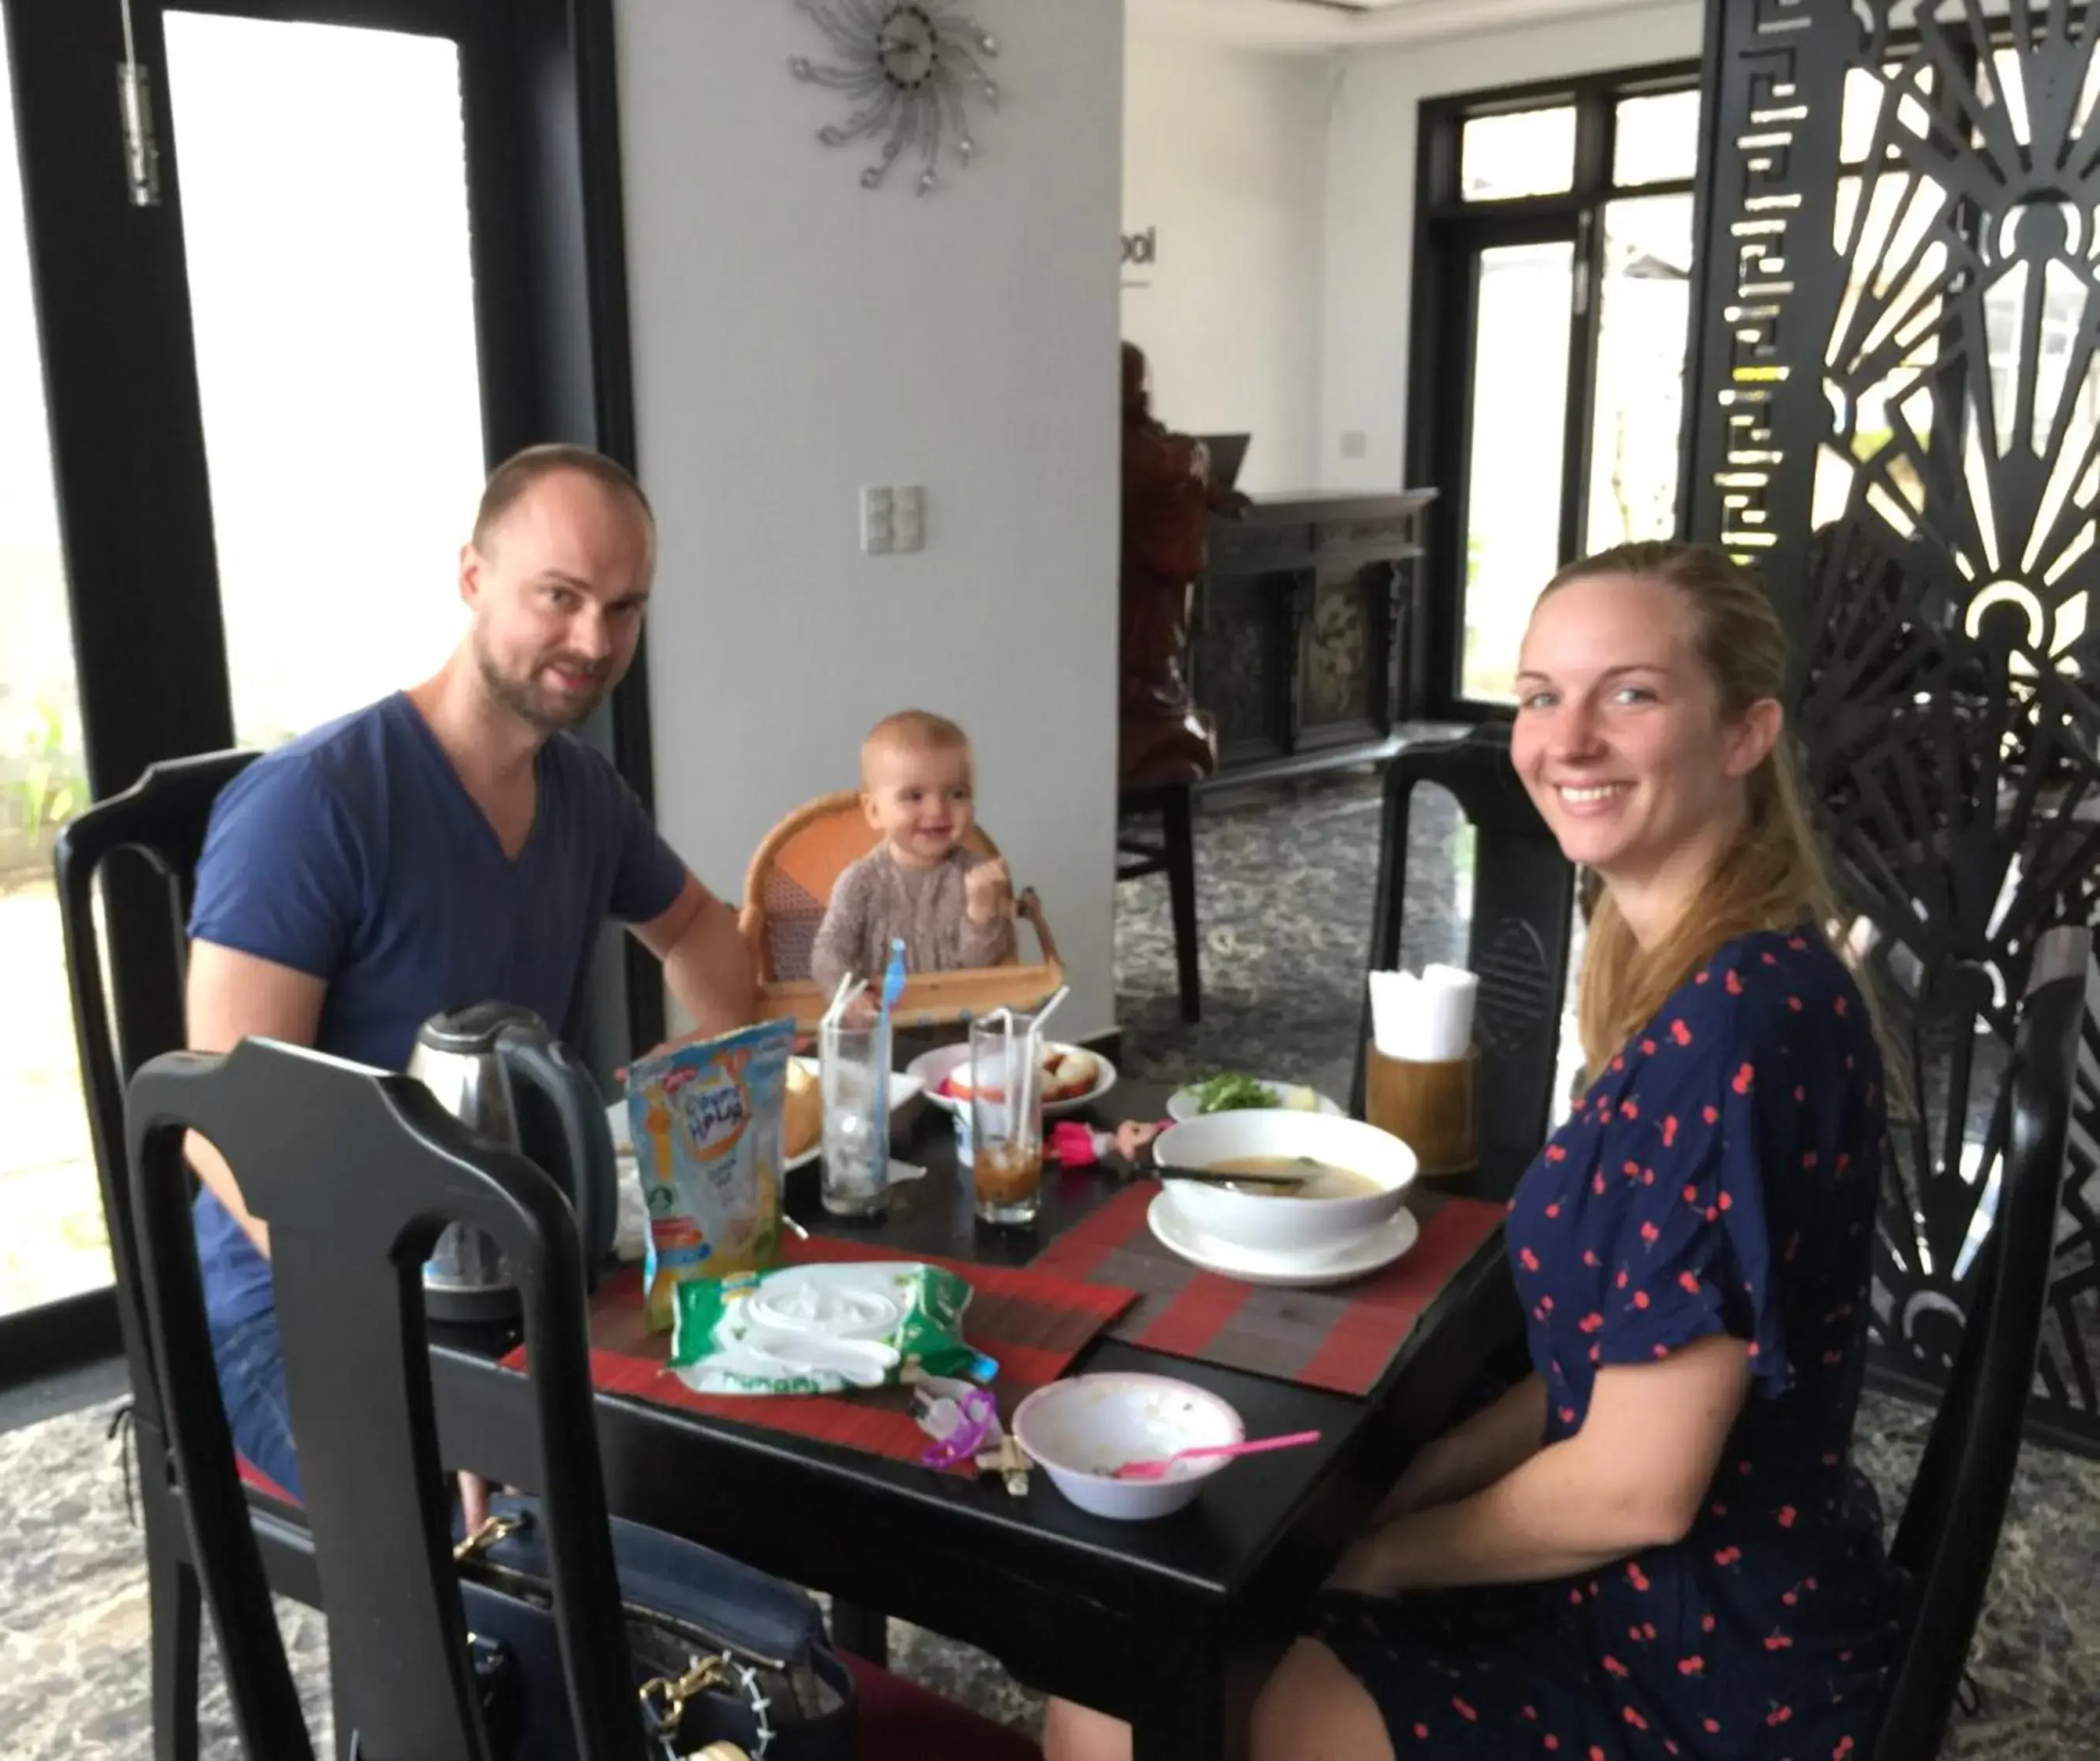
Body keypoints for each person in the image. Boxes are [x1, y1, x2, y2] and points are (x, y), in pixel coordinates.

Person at [1043, 541, 1902, 1761]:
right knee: (1155, 1646)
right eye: (1543, 693)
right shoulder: (1704, 974)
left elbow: (1632, 1486)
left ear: (1747, 733)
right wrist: (1421, 1475)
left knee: (1119, 1700)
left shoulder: (1741, 1021)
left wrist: (1385, 1556)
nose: (1568, 737)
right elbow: (1610, 1356)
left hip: (1695, 1666)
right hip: (1665, 1594)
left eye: (1633, 692)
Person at [183, 443, 755, 1505]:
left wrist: (717, 1081)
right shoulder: (312, 805)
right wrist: (406, 1353)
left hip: (518, 1268)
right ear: (472, 578)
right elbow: (227, 1122)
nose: (594, 639)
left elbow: (703, 933)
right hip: (301, 1307)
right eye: (560, 595)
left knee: (739, 1429)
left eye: (624, 607)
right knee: (541, 1520)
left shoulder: (580, 792)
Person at [809, 709, 1016, 1000]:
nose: (937, 811)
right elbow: (829, 953)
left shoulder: (978, 879)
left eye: (957, 794)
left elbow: (984, 973)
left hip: (958, 1029)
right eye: (914, 796)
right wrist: (848, 995)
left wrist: (982, 916)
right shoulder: (860, 882)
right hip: (883, 1027)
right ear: (874, 811)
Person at [1118, 340, 1234, 790]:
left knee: (1158, 664)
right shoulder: (1150, 453)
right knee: (1145, 667)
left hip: (1153, 594)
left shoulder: (1155, 447)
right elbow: (1178, 465)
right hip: (1135, 590)